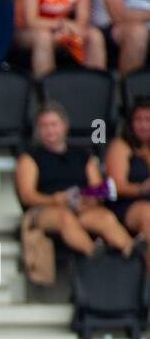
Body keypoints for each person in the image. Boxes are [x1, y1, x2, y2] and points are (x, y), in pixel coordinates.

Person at [15, 102, 140, 258]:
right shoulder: (29, 158)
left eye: (54, 124)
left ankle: (132, 251)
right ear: (38, 130)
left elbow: (98, 187)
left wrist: (89, 199)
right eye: (44, 126)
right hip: (45, 210)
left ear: (64, 126)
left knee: (105, 218)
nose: (50, 130)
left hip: (80, 206)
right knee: (64, 218)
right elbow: (27, 196)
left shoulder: (82, 155)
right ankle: (93, 253)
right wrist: (54, 200)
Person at [14, 0, 105, 76]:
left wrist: (65, 29)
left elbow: (82, 20)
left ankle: (96, 86)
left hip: (63, 30)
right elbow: (31, 21)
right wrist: (60, 25)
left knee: (95, 35)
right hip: (28, 32)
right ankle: (47, 89)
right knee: (43, 37)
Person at [106, 96, 150, 246]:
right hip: (129, 203)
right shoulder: (120, 146)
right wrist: (141, 189)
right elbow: (115, 186)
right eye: (139, 120)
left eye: (148, 120)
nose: (144, 126)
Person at [94, 0, 150, 75]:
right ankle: (128, 88)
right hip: (110, 28)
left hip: (145, 25)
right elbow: (118, 14)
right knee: (137, 32)